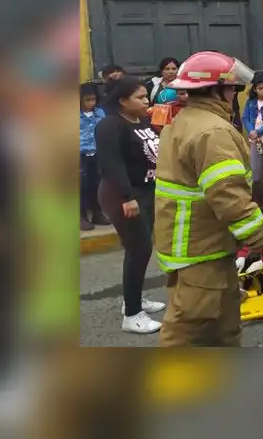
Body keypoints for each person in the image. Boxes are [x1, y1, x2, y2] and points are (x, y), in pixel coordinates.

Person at [154, 51, 263, 347]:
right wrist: (257, 234)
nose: (234, 95)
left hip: (198, 245)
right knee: (188, 332)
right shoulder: (212, 131)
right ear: (215, 90)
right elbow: (227, 191)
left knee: (222, 326)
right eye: (231, 88)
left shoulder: (185, 120)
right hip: (202, 249)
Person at [94, 76, 167, 334]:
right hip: (123, 195)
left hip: (146, 191)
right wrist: (127, 197)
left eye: (146, 96)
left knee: (141, 249)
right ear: (123, 100)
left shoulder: (142, 121)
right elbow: (111, 164)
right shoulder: (109, 126)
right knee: (139, 249)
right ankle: (133, 315)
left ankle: (133, 299)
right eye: (140, 97)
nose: (146, 101)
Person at [80, 82, 110, 231]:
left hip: (97, 153)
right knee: (82, 187)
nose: (91, 103)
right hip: (80, 155)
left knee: (97, 185)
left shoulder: (100, 113)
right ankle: (81, 217)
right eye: (87, 100)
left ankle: (97, 213)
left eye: (93, 100)